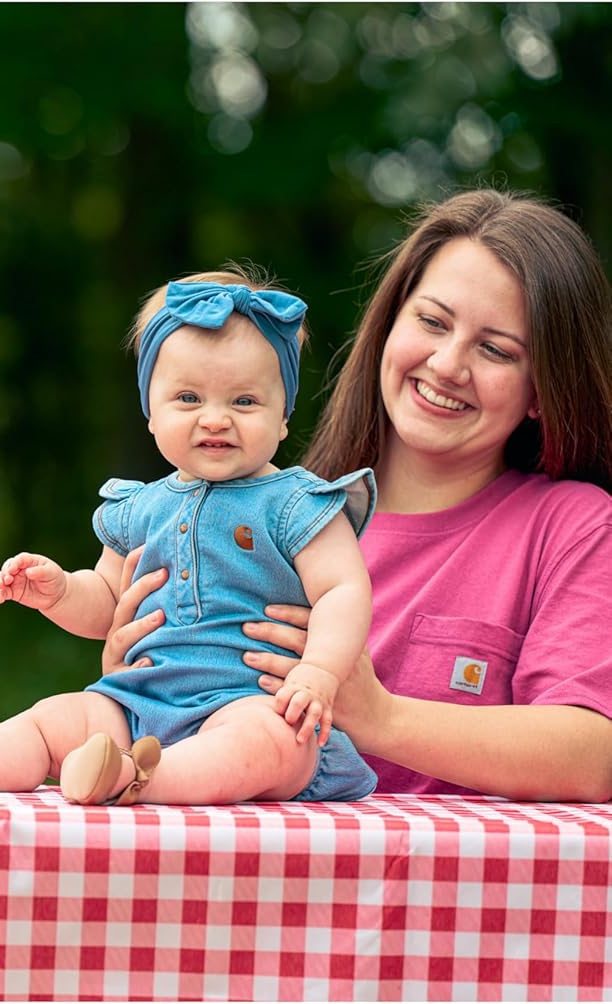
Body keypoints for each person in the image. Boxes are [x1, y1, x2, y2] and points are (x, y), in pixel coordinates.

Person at [0, 267, 380, 805]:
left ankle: (138, 778)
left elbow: (343, 591)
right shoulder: (138, 507)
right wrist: (63, 592)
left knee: (265, 744)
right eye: (189, 399)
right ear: (151, 415)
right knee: (54, 719)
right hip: (138, 698)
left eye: (244, 401)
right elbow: (109, 603)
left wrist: (318, 671)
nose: (215, 419)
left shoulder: (296, 503)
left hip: (252, 701)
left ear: (284, 416)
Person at [236, 188, 612, 802]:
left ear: (543, 389)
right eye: (432, 322)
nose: (446, 364)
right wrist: (134, 672)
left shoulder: (573, 527)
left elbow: (595, 753)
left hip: (459, 896)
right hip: (266, 885)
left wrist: (380, 716)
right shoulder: (274, 513)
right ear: (390, 324)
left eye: (495, 349)